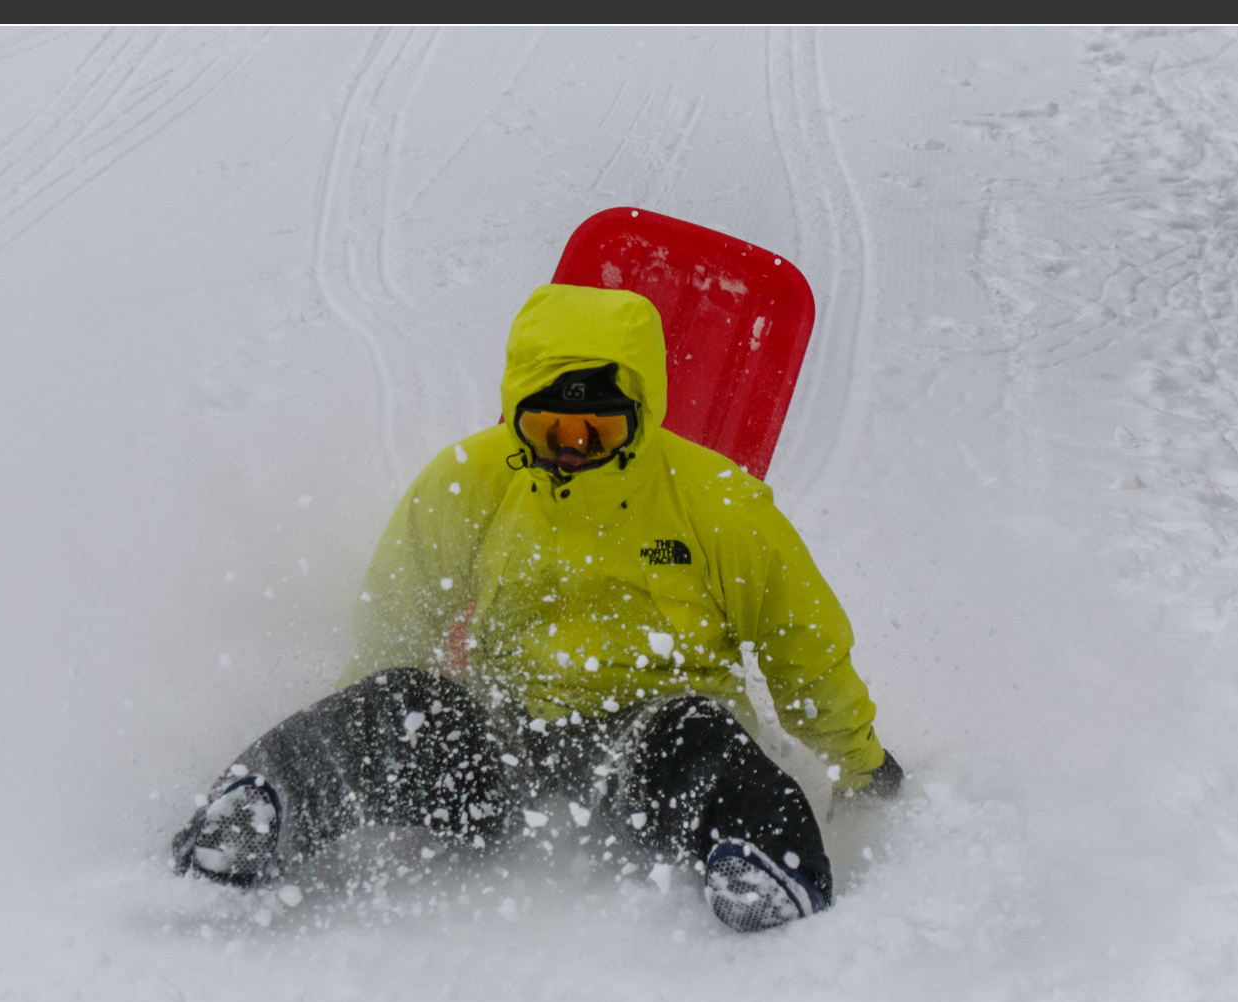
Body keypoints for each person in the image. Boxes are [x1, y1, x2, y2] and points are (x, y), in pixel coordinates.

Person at [172, 283, 901, 931]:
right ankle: (255, 811)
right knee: (412, 702)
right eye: (551, 429)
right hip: (501, 739)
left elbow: (800, 644)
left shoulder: (716, 504)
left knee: (702, 741)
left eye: (600, 431)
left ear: (640, 415)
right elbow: (396, 617)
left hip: (648, 738)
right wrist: (368, 731)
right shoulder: (475, 479)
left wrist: (860, 761)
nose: (574, 449)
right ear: (519, 410)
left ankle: (767, 865)